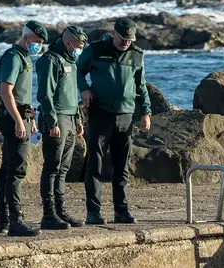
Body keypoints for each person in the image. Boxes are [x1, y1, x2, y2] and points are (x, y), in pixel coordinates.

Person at [76, 16, 151, 225]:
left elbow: (141, 85)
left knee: (121, 166)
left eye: (130, 39)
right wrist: (84, 89)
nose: (126, 42)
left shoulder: (136, 55)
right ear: (113, 34)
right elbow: (78, 71)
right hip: (100, 114)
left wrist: (146, 112)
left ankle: (122, 211)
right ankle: (93, 212)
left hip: (126, 116)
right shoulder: (96, 50)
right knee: (95, 164)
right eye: (122, 39)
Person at [0, 20, 48, 237]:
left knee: (7, 167)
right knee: (16, 169)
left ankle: (4, 219)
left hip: (23, 114)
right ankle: (15, 220)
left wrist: (30, 119)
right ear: (26, 38)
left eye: (41, 43)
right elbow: (6, 91)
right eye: (36, 41)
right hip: (12, 116)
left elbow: (22, 93)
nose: (39, 45)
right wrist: (18, 120)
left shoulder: (25, 57)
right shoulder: (13, 57)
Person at [37, 25, 88, 230]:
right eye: (79, 45)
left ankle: (60, 209)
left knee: (63, 168)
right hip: (56, 119)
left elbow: (72, 95)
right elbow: (45, 95)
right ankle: (48, 214)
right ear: (69, 43)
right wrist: (51, 122)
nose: (81, 49)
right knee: (52, 167)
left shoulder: (71, 61)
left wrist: (78, 120)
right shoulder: (50, 61)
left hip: (69, 118)